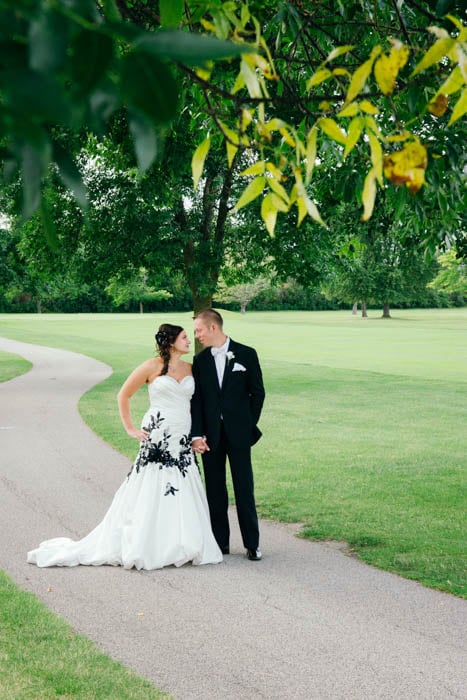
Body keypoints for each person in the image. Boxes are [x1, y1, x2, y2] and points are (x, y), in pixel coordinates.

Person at [27, 324, 223, 570]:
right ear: (171, 341)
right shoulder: (151, 366)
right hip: (158, 431)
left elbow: (198, 404)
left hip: (181, 434)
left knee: (183, 482)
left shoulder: (192, 368)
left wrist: (196, 435)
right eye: (184, 337)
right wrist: (130, 428)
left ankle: (183, 542)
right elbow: (124, 395)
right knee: (151, 482)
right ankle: (147, 543)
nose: (189, 341)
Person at [191, 309, 265, 561]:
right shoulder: (200, 361)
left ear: (213, 328)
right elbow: (197, 401)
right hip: (211, 437)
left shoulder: (247, 353)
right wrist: (197, 434)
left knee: (244, 489)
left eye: (199, 330)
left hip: (239, 435)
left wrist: (247, 425)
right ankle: (219, 543)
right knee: (214, 490)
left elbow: (258, 393)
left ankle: (252, 545)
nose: (197, 335)